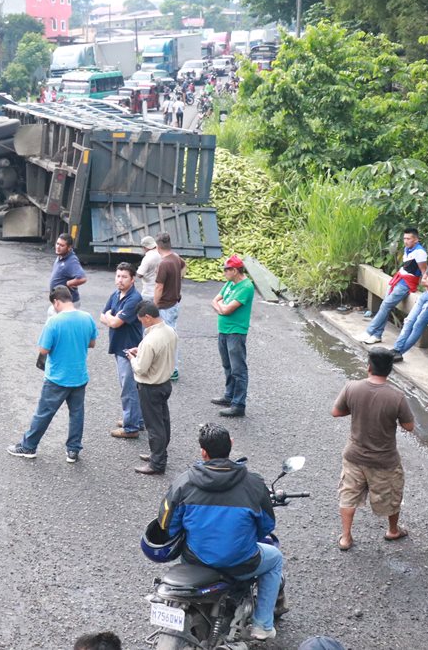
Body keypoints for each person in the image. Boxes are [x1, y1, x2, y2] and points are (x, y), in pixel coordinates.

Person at [153, 424, 281, 641]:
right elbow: (266, 527)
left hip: (195, 561)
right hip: (240, 563)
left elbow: (167, 525)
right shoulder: (254, 484)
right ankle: (262, 625)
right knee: (275, 559)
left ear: (203, 452)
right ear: (230, 445)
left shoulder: (183, 483)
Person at [330, 348, 415, 550]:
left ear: (369, 367)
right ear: (390, 370)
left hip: (354, 455)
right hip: (384, 460)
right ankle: (393, 530)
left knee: (348, 494)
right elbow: (409, 427)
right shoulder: (397, 397)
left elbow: (336, 412)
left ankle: (345, 537)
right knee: (392, 495)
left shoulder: (352, 387)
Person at [8, 286, 97, 462]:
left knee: (44, 413)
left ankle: (28, 446)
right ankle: (73, 450)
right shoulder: (87, 318)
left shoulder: (54, 322)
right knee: (77, 413)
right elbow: (92, 343)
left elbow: (44, 349)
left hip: (57, 377)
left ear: (56, 302)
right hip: (79, 375)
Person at [129, 302, 178, 475]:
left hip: (150, 386)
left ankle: (157, 463)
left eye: (142, 320)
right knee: (163, 421)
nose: (142, 323)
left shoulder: (150, 340)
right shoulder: (170, 331)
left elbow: (141, 368)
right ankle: (159, 453)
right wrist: (141, 352)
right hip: (164, 383)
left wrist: (132, 358)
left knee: (154, 425)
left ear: (148, 318)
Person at [361, 228, 427, 345]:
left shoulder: (420, 252)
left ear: (416, 239)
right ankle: (377, 335)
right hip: (398, 279)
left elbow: (424, 271)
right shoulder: (408, 249)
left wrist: (426, 288)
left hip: (407, 283)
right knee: (385, 305)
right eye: (404, 238)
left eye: (409, 238)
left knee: (386, 305)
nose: (406, 241)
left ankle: (370, 331)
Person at [101, 263, 145, 439]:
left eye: (124, 277)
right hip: (119, 347)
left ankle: (131, 427)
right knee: (130, 387)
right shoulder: (116, 294)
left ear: (133, 279)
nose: (120, 280)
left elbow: (114, 322)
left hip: (129, 349)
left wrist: (111, 317)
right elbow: (102, 315)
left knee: (129, 389)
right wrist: (111, 317)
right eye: (118, 276)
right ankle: (137, 419)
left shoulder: (134, 299)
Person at [210, 254, 254, 417]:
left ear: (235, 270)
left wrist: (222, 307)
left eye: (226, 270)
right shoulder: (230, 283)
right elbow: (215, 301)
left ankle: (238, 404)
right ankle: (229, 396)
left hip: (236, 332)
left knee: (238, 369)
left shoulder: (246, 287)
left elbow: (227, 309)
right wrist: (222, 307)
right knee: (227, 365)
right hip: (223, 330)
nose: (224, 273)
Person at [153, 232, 186, 381]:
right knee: (170, 335)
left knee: (168, 338)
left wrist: (154, 306)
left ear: (158, 246)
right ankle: (168, 367)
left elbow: (159, 287)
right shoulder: (176, 257)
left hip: (165, 305)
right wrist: (178, 280)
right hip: (174, 303)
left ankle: (173, 369)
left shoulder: (164, 263)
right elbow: (184, 267)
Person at [49, 233, 88, 305]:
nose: (58, 247)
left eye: (62, 245)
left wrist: (69, 283)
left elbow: (82, 278)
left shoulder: (71, 261)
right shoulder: (61, 256)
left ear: (69, 247)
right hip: (59, 301)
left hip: (68, 303)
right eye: (57, 244)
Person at [135, 235, 160, 301]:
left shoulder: (147, 258)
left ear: (145, 247)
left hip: (148, 292)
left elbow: (139, 274)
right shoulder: (161, 254)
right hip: (160, 291)